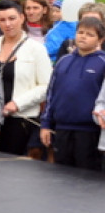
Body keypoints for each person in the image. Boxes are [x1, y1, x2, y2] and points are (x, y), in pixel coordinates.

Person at [0, 0, 52, 156]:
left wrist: (17, 104)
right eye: (2, 20)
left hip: (19, 119)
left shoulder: (36, 48)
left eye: (12, 18)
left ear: (22, 18)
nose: (7, 24)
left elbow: (47, 86)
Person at [41, 17, 105, 171]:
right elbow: (51, 95)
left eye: (90, 34)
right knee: (61, 175)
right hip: (62, 129)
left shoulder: (102, 62)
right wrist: (45, 124)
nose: (83, 36)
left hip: (90, 132)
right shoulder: (63, 61)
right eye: (80, 32)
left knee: (86, 176)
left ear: (100, 39)